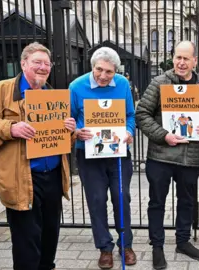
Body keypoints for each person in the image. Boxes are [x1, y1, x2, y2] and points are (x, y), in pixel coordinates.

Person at [0, 42, 76, 270]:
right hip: (21, 180)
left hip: (53, 178)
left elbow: (59, 140)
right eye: (37, 62)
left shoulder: (51, 95)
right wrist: (10, 128)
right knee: (27, 243)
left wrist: (70, 130)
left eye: (47, 64)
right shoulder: (1, 90)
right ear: (23, 63)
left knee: (49, 238)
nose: (43, 67)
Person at [135, 41, 199, 270]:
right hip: (161, 156)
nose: (181, 62)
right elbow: (142, 114)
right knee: (157, 202)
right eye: (177, 57)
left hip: (190, 158)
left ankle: (182, 241)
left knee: (187, 201)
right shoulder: (159, 82)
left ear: (194, 61)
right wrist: (164, 135)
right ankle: (157, 246)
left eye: (186, 58)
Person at [70, 47, 136, 268]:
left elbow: (130, 115)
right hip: (89, 154)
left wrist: (129, 132)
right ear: (92, 67)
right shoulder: (76, 86)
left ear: (116, 70)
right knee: (96, 200)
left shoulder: (123, 84)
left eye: (109, 71)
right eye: (99, 70)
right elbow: (68, 120)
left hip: (118, 153)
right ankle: (104, 248)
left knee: (122, 197)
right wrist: (76, 133)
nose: (104, 76)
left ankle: (125, 245)